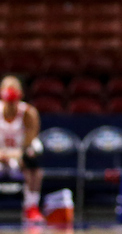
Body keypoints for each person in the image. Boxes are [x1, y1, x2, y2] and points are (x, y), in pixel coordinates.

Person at [1, 76, 71, 226]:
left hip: (18, 157)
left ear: (20, 94)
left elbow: (29, 142)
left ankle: (30, 207)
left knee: (35, 169)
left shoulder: (28, 113)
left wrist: (17, 155)